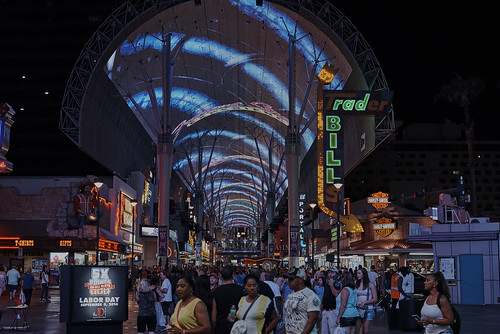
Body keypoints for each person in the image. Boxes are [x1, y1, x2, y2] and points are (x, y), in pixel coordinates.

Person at [283, 268, 320, 334]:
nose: (288, 281)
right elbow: (288, 316)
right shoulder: (291, 294)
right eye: (288, 279)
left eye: (291, 279)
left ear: (300, 280)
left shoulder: (310, 296)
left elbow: (312, 319)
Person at [212, 265, 245, 334]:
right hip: (237, 327)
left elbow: (214, 317)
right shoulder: (240, 290)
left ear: (221, 276)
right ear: (233, 276)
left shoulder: (216, 291)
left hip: (221, 327)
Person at [354, 268, 378, 334]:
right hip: (358, 309)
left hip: (368, 309)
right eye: (357, 273)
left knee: (365, 330)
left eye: (359, 273)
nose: (357, 275)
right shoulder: (355, 283)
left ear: (364, 274)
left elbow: (375, 299)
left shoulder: (371, 284)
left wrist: (365, 302)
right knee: (356, 330)